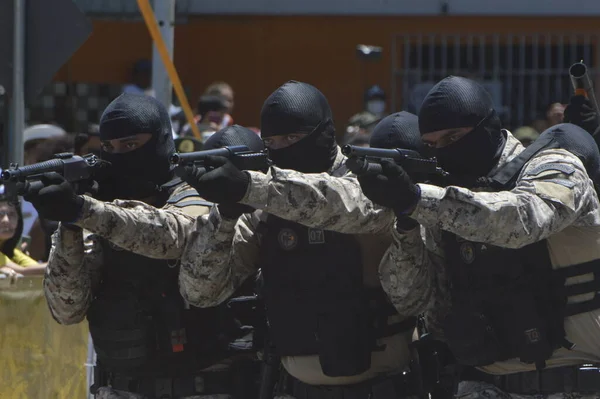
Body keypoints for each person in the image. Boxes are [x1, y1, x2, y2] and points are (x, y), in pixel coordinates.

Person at [356, 75, 600, 398]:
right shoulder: (444, 201)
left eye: (453, 137)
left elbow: (521, 220)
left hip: (571, 385)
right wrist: (407, 223)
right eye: (432, 145)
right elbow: (413, 299)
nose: (444, 152)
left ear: (487, 127)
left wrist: (418, 199)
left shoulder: (555, 165)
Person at [176, 82, 418, 399]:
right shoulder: (264, 203)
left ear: (324, 132)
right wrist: (225, 215)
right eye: (272, 142)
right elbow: (201, 290)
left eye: (292, 139)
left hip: (384, 387)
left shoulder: (365, 182)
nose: (283, 149)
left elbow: (333, 204)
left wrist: (249, 188)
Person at [25, 94, 260, 399]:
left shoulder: (199, 190)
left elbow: (174, 236)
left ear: (162, 140)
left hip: (200, 385)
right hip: (121, 387)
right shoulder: (98, 208)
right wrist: (69, 226)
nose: (118, 156)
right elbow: (67, 307)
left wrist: (81, 211)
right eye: (109, 147)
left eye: (131, 145)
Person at [0, 185, 46, 282]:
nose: (6, 220)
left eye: (11, 214)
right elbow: (23, 271)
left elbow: (38, 268)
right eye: (0, 215)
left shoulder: (12, 251)